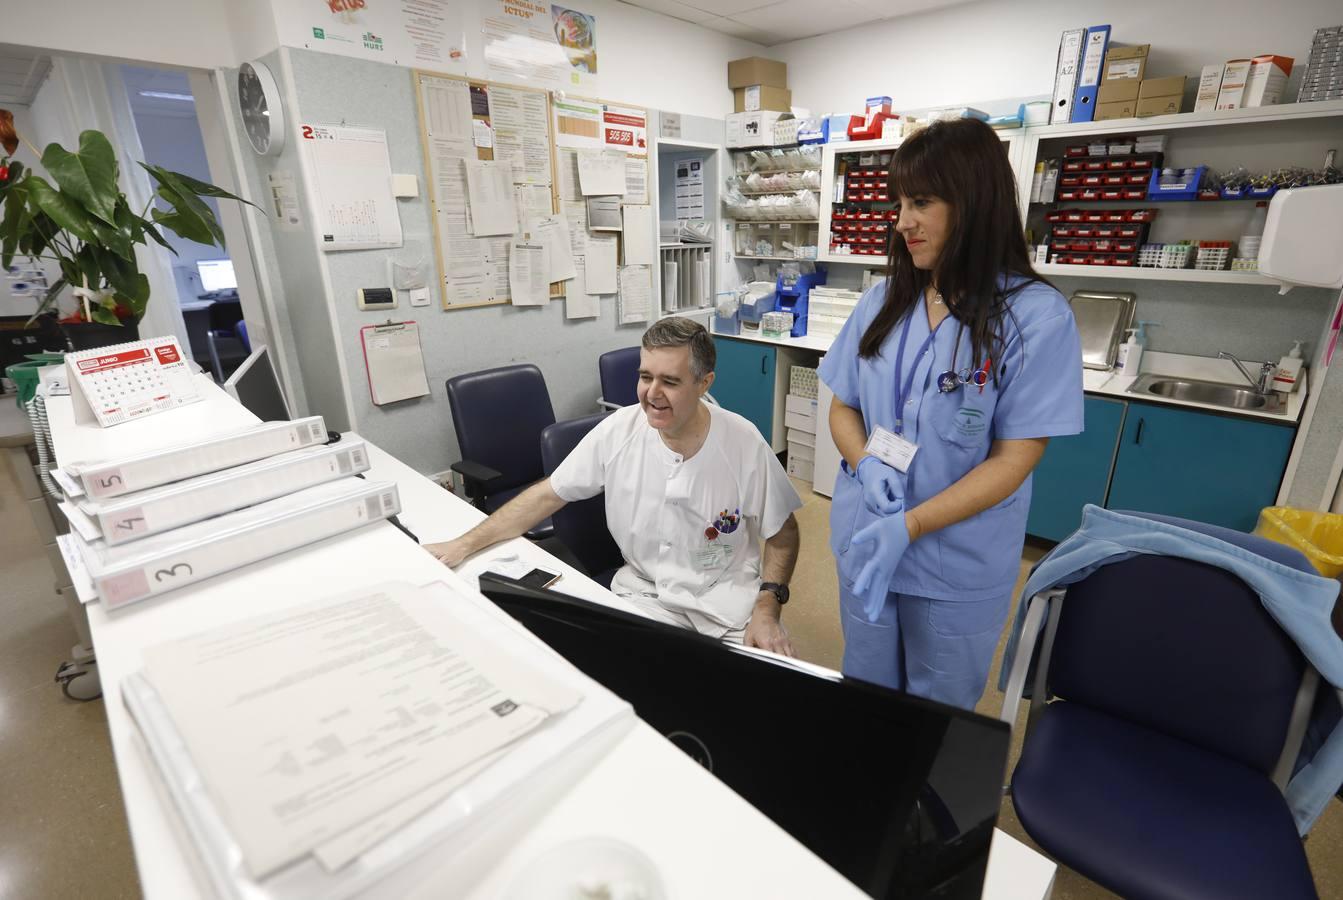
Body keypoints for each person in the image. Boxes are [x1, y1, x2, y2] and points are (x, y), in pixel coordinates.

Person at [818, 118, 1084, 709]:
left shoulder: (1035, 318)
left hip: (954, 563)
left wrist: (912, 525)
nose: (901, 220)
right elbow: (843, 406)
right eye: (899, 202)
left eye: (922, 202)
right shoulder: (884, 299)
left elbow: (1015, 459)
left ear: (973, 203)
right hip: (866, 536)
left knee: (935, 713)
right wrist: (865, 463)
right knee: (866, 692)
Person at [426, 317, 803, 656]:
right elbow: (546, 496)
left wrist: (768, 607)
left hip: (729, 600)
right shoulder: (617, 431)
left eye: (669, 381)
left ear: (705, 383)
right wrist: (463, 545)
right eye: (645, 377)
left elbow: (783, 533)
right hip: (646, 596)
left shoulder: (743, 442)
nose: (652, 393)